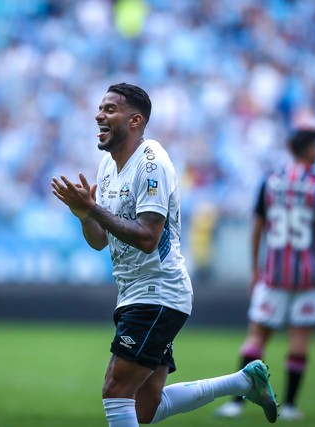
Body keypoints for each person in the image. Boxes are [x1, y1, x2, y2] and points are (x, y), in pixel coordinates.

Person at [51, 82, 279, 426]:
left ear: (134, 120)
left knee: (115, 390)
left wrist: (93, 210)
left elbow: (147, 236)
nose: (99, 115)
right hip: (132, 294)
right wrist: (84, 214)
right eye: (100, 108)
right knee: (145, 409)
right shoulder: (107, 167)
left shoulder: (152, 162)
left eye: (110, 109)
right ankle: (244, 382)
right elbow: (99, 240)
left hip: (158, 292)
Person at [214, 128, 315, 421]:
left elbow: (257, 226)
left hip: (273, 273)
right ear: (309, 150)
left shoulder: (271, 180)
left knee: (256, 338)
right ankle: (291, 406)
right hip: (308, 276)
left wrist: (255, 267)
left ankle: (236, 403)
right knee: (299, 339)